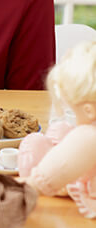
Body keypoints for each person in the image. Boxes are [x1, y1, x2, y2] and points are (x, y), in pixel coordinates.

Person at [22, 40, 96, 218]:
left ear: (89, 110)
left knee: (36, 143)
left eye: (73, 109)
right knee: (60, 131)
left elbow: (35, 183)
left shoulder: (88, 136)